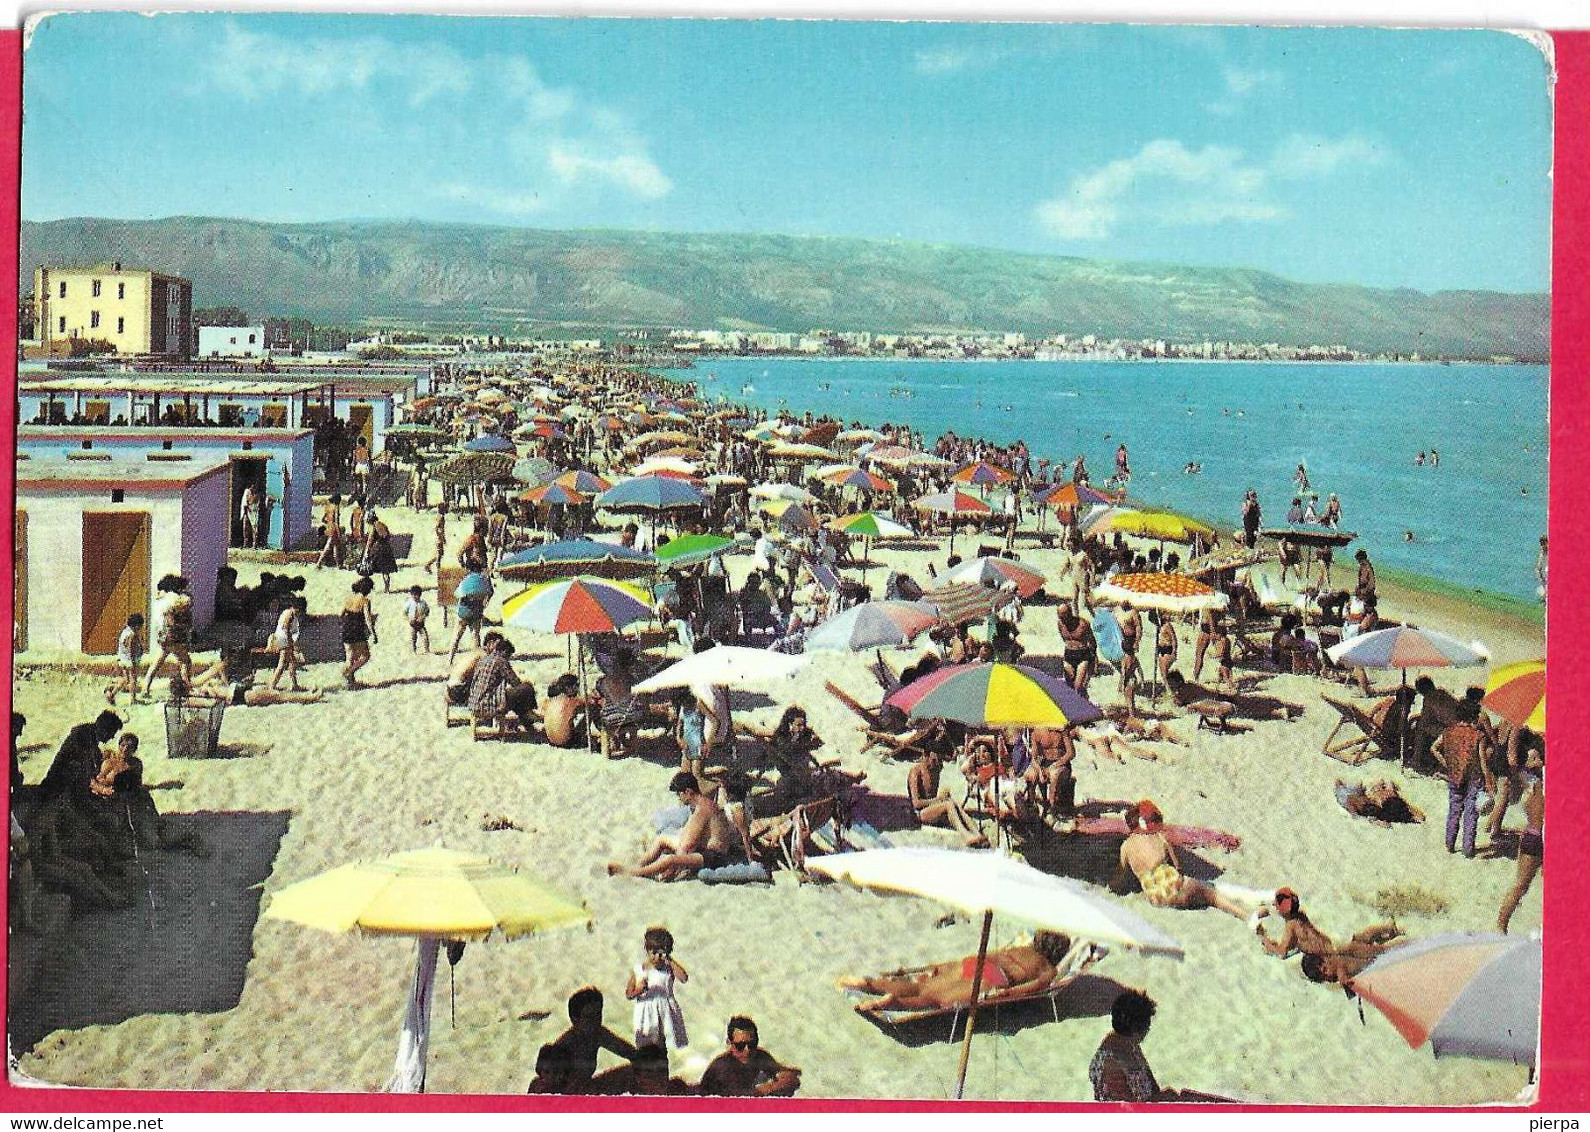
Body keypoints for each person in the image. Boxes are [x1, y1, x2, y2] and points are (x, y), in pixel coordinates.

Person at [840, 931, 1072, 1012]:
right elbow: (1029, 988)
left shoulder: (1021, 948)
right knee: (936, 999)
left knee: (923, 985)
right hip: (997, 977)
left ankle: (867, 983)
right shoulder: (1048, 968)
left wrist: (944, 965)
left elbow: (991, 953)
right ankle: (891, 1003)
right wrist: (1002, 995)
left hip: (976, 961)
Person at [1117, 800, 1252, 918]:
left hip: (1155, 898)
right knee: (1213, 897)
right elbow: (1177, 866)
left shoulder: (1125, 847)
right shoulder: (1158, 837)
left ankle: (1256, 900)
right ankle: (1248, 917)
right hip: (1174, 885)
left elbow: (1124, 873)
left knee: (1205, 894)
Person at [607, 772, 742, 880]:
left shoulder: (702, 810)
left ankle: (634, 872)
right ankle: (639, 863)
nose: (679, 798)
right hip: (705, 848)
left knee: (671, 859)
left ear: (688, 792)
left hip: (714, 856)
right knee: (662, 840)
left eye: (679, 794)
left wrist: (672, 870)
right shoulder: (703, 803)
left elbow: (687, 846)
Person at [1090, 991, 1220, 1102]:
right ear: (1138, 1029)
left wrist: (1164, 1097)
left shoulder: (1130, 1045)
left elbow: (1153, 1090)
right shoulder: (1110, 1061)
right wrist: (1162, 1099)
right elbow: (1125, 1110)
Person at [1255, 888, 1404, 984]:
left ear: (1283, 911)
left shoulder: (1291, 926)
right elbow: (1301, 941)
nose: (1275, 906)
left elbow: (1282, 953)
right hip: (1333, 945)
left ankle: (1402, 947)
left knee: (1375, 954)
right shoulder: (1301, 916)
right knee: (1363, 940)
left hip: (1328, 956)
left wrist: (1265, 939)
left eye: (1276, 905)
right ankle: (1391, 930)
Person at [530, 987, 639, 1095]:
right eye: (589, 1017)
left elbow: (628, 1052)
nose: (595, 1021)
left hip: (588, 1088)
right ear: (574, 1019)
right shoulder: (564, 1045)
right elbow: (549, 1080)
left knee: (635, 1071)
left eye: (598, 1014)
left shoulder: (598, 1033)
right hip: (568, 1096)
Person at [1432, 699, 1487, 858]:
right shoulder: (1478, 735)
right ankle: (1468, 849)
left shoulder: (1448, 732)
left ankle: (1450, 844)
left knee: (1454, 810)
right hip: (1473, 777)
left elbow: (1434, 748)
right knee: (1471, 812)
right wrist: (1489, 780)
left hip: (1454, 775)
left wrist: (1448, 764)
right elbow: (1482, 761)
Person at [697, 1017, 801, 1097]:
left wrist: (786, 1075)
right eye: (740, 1046)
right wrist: (774, 1086)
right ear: (729, 1043)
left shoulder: (759, 1055)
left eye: (752, 1044)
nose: (747, 1050)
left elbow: (782, 1071)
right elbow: (740, 1097)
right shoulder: (722, 1066)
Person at [1497, 756, 1544, 933]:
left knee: (1520, 886)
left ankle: (1501, 927)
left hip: (1532, 835)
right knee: (1521, 886)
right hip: (1538, 837)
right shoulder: (1539, 787)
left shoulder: (1532, 786)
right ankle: (1501, 926)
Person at [907, 747, 988, 847]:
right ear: (926, 756)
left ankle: (977, 833)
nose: (936, 763)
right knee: (948, 804)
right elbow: (916, 803)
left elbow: (933, 795)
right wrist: (938, 799)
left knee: (954, 803)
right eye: (933, 760)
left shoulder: (936, 769)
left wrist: (942, 797)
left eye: (938, 760)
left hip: (932, 809)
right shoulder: (916, 771)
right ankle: (966, 835)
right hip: (919, 814)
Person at [625, 926, 689, 1052]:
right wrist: (639, 990)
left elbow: (684, 978)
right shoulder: (639, 969)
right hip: (646, 1013)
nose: (657, 957)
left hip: (666, 1012)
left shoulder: (668, 969)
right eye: (653, 953)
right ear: (647, 950)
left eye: (661, 954)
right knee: (647, 1048)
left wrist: (669, 959)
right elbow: (628, 994)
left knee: (664, 1046)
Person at [468, 635, 538, 735]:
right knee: (526, 689)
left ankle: (526, 721)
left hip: (474, 703)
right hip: (488, 704)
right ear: (504, 652)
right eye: (509, 655)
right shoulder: (501, 661)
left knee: (515, 696)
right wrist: (526, 682)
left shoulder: (484, 659)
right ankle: (528, 716)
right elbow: (515, 682)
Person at [142, 575, 194, 696]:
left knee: (157, 663)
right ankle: (186, 687)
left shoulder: (158, 601)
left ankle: (145, 687)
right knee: (185, 662)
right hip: (175, 637)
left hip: (162, 637)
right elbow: (181, 608)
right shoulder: (175, 599)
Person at [1028, 725, 1077, 818]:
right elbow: (1034, 757)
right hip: (1045, 762)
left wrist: (1055, 765)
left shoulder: (1062, 731)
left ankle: (1052, 806)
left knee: (1054, 774)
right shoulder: (1037, 732)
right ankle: (1032, 805)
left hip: (1061, 763)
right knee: (1032, 775)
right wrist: (1039, 769)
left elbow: (1071, 753)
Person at [340, 576, 378, 689]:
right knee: (365, 656)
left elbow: (341, 614)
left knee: (350, 657)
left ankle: (350, 683)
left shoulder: (349, 598)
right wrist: (373, 633)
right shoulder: (365, 601)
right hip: (357, 630)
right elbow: (367, 619)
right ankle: (348, 673)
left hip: (347, 628)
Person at [1056, 600, 1097, 695]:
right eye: (1059, 616)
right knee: (1069, 685)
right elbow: (1064, 639)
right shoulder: (1060, 624)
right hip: (1069, 654)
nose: (1061, 618)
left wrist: (1093, 660)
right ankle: (1080, 701)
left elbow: (1092, 641)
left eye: (1063, 615)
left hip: (1082, 655)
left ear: (1069, 613)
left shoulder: (1082, 624)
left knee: (1078, 686)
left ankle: (1083, 703)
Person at [267, 596, 308, 692]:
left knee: (292, 663)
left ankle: (294, 684)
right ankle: (272, 685)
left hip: (284, 639)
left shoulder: (289, 613)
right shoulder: (289, 614)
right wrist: (290, 642)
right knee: (282, 664)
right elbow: (286, 629)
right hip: (283, 640)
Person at [105, 613, 145, 706]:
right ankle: (133, 699)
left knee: (125, 680)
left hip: (122, 659)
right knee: (132, 680)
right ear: (136, 626)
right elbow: (129, 647)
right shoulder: (131, 634)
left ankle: (111, 694)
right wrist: (132, 660)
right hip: (129, 661)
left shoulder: (125, 632)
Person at [541, 674, 588, 749]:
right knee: (592, 710)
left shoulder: (549, 701)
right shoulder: (571, 701)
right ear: (569, 687)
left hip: (551, 741)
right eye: (577, 685)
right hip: (566, 742)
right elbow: (588, 703)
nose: (577, 689)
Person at [364, 510, 399, 592]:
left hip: (378, 549)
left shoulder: (373, 527)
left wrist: (367, 551)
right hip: (386, 548)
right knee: (385, 571)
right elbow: (388, 535)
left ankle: (367, 587)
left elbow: (370, 540)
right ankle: (387, 588)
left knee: (369, 568)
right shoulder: (383, 525)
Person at [315, 492, 344, 569]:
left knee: (334, 546)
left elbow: (323, 519)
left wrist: (329, 523)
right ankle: (319, 563)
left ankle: (338, 564)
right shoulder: (336, 507)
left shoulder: (328, 507)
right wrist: (338, 532)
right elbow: (337, 522)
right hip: (333, 528)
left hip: (328, 527)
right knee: (330, 546)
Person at [404, 585, 431, 654]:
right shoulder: (409, 603)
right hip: (413, 623)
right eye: (413, 595)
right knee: (413, 638)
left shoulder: (423, 602)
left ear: (420, 595)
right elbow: (404, 613)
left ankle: (427, 650)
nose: (415, 597)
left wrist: (423, 617)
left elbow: (427, 611)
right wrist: (409, 619)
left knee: (425, 637)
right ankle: (414, 650)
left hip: (421, 623)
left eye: (417, 595)